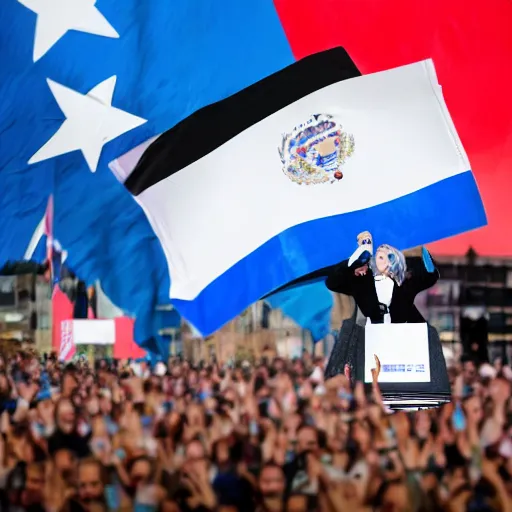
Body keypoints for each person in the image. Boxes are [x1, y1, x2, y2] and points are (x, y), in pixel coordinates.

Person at [324, 232, 450, 403]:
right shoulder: (362, 280)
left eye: (386, 254)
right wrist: (353, 265)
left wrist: (425, 256)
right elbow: (332, 282)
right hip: (372, 341)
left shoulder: (403, 285)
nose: (380, 255)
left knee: (397, 387)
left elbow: (429, 277)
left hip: (400, 344)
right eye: (378, 253)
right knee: (371, 383)